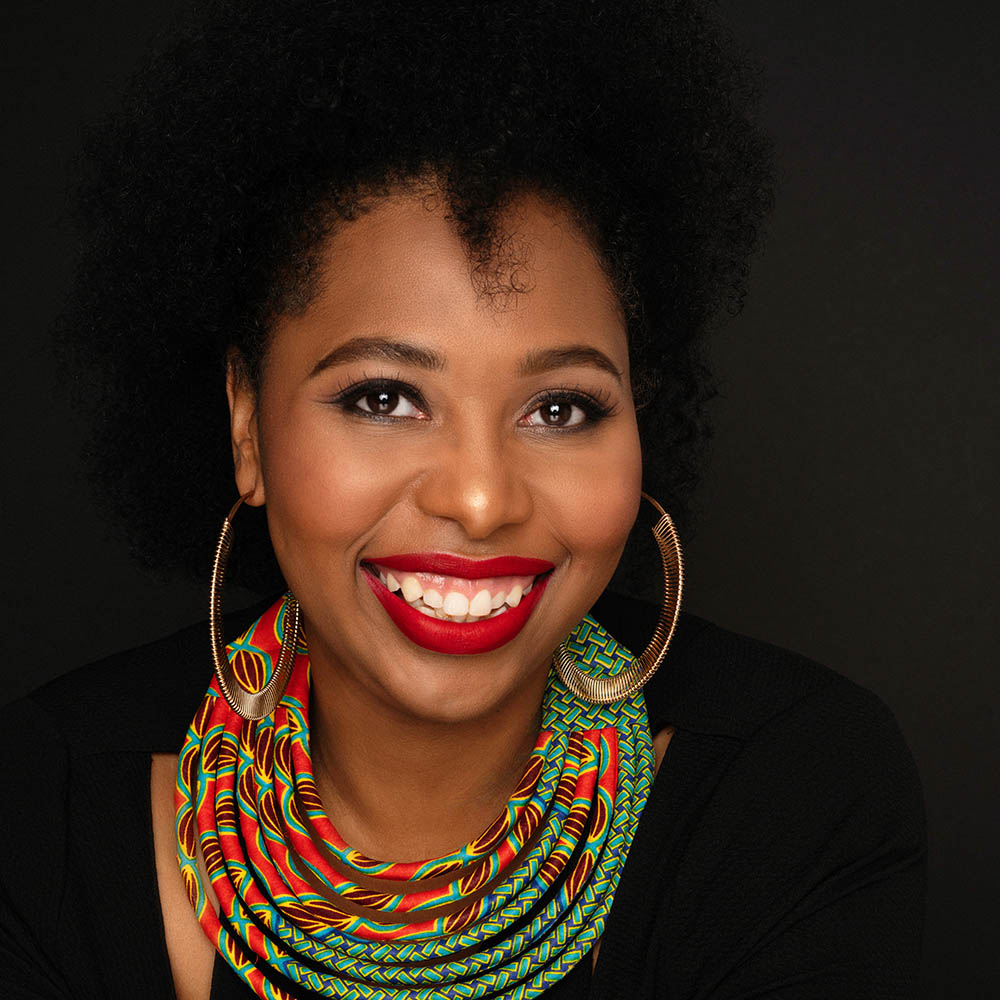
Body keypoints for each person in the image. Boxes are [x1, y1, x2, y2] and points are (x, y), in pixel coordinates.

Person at [0, 1, 927, 998]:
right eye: (385, 397)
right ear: (246, 424)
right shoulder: (42, 806)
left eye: (561, 407)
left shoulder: (794, 790)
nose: (481, 498)